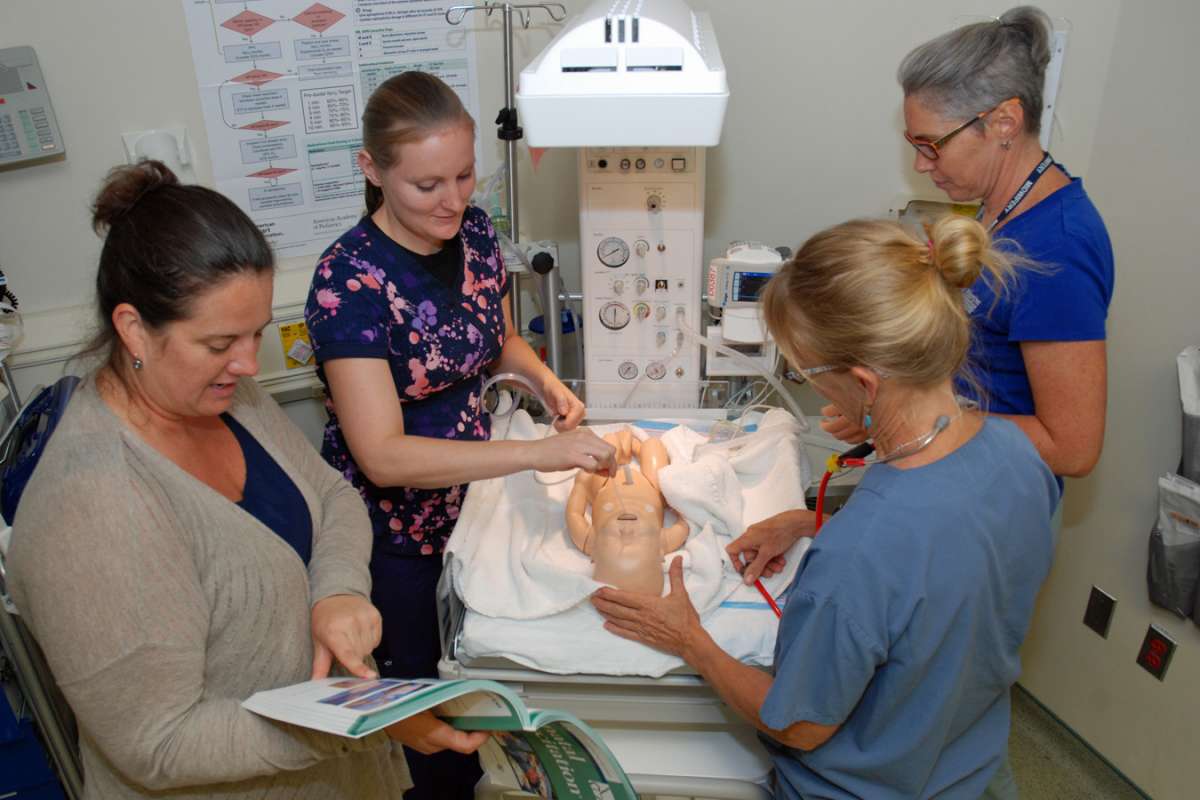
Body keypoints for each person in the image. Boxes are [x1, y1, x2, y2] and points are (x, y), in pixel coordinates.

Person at [7, 161, 487, 800]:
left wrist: (336, 591)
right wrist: (368, 722)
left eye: (255, 334)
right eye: (219, 342)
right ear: (132, 329)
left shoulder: (226, 398)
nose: (246, 361)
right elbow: (162, 742)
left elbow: (333, 494)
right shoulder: (92, 508)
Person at [591, 215, 1060, 799]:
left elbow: (803, 724)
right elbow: (949, 568)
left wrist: (691, 640)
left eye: (805, 372)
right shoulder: (1019, 459)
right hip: (969, 767)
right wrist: (807, 521)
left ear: (865, 383)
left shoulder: (857, 558)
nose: (809, 386)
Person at [303, 71, 615, 799]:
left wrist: (542, 379)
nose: (453, 200)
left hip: (473, 504)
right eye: (426, 185)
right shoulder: (346, 284)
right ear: (372, 171)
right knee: (430, 723)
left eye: (465, 175)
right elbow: (382, 457)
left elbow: (494, 336)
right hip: (393, 536)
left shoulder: (472, 230)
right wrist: (540, 452)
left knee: (486, 689)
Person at [819, 6, 1114, 484]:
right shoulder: (1000, 209)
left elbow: (1073, 448)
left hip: (991, 500)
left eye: (932, 145)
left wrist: (909, 416)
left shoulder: (1059, 249)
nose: (920, 165)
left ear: (1004, 122)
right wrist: (885, 409)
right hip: (949, 469)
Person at [565, 428, 690, 594]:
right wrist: (675, 502)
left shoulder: (589, 541)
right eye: (640, 537)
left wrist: (581, 486)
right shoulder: (664, 541)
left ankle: (619, 448)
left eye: (615, 537)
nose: (627, 529)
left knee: (607, 444)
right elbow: (686, 520)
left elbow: (573, 513)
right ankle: (637, 447)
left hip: (604, 484)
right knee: (654, 446)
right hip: (651, 486)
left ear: (594, 553)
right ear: (660, 553)